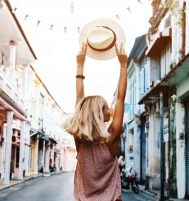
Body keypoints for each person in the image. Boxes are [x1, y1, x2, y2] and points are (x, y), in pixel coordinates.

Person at [62, 19, 128, 201]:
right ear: (99, 114)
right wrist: (123, 66)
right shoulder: (111, 138)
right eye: (107, 107)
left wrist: (80, 65)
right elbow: (121, 98)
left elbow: (79, 100)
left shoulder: (80, 140)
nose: (111, 109)